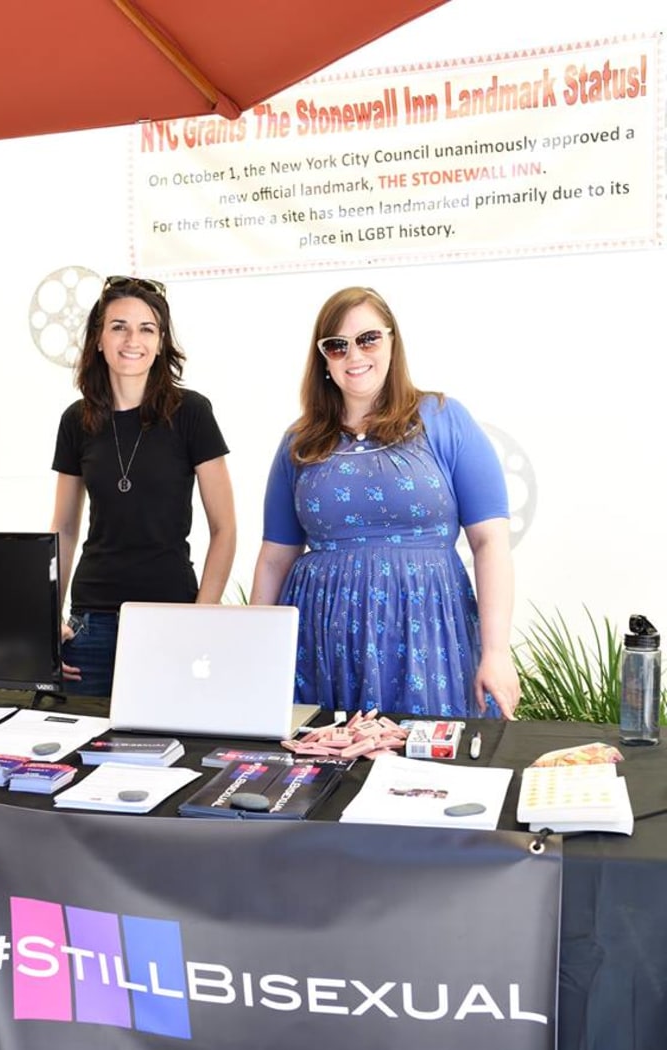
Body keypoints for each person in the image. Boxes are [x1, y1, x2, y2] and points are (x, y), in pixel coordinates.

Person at [250, 285, 519, 719]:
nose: (354, 356)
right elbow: (274, 558)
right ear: (323, 360)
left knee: (427, 775)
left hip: (428, 633)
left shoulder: (444, 418)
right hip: (321, 640)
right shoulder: (298, 442)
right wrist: (254, 650)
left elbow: (490, 543)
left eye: (368, 339)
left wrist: (496, 652)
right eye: (337, 346)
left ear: (393, 341)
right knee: (322, 772)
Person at [50, 275, 236, 696]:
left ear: (160, 341)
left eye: (146, 328)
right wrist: (46, 614)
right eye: (118, 326)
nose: (132, 339)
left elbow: (224, 528)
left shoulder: (191, 413)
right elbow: (63, 528)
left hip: (171, 618)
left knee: (171, 750)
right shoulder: (76, 421)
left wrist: (202, 618)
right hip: (90, 621)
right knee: (82, 752)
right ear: (99, 339)